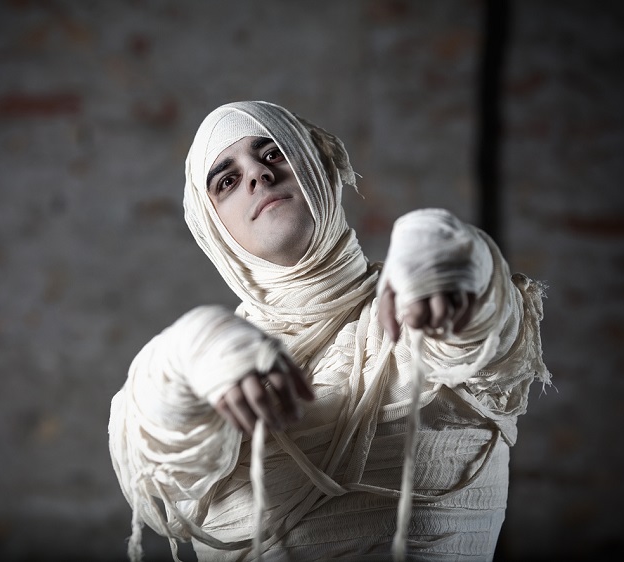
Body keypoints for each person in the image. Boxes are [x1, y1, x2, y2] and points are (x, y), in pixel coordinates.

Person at [108, 101, 550, 562]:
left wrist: (454, 256)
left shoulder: (421, 313)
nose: (258, 175)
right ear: (212, 228)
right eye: (227, 180)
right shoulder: (209, 371)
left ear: (319, 167)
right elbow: (157, 439)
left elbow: (485, 328)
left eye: (274, 153)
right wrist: (194, 346)